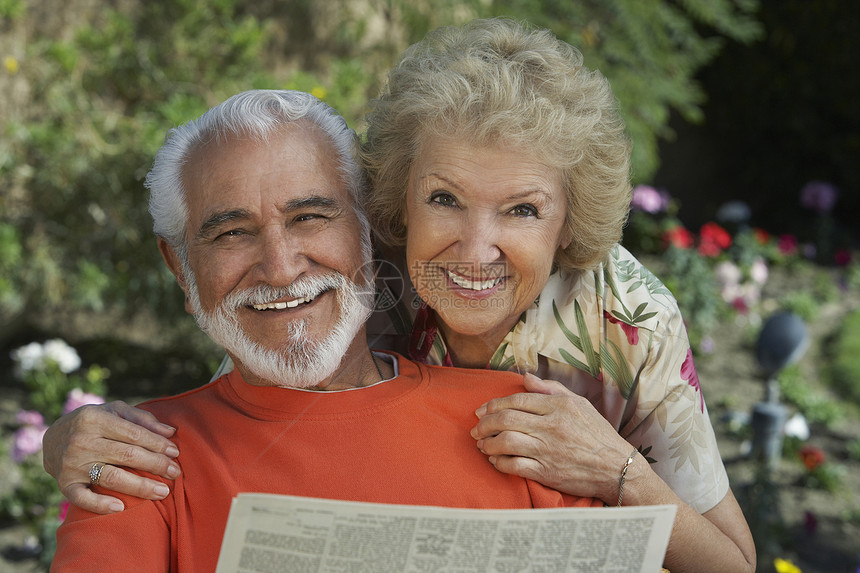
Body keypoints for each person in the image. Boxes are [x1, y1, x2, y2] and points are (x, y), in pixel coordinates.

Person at [45, 19, 755, 572]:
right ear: (394, 209)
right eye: (445, 199)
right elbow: (258, 391)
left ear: (569, 220)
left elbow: (731, 564)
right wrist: (64, 441)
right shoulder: (359, 274)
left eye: (523, 210)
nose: (474, 250)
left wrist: (616, 468)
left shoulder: (611, 339)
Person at [51, 89, 600, 571]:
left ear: (369, 229)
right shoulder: (138, 460)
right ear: (180, 268)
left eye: (309, 217)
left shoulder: (520, 423)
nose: (282, 267)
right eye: (233, 233)